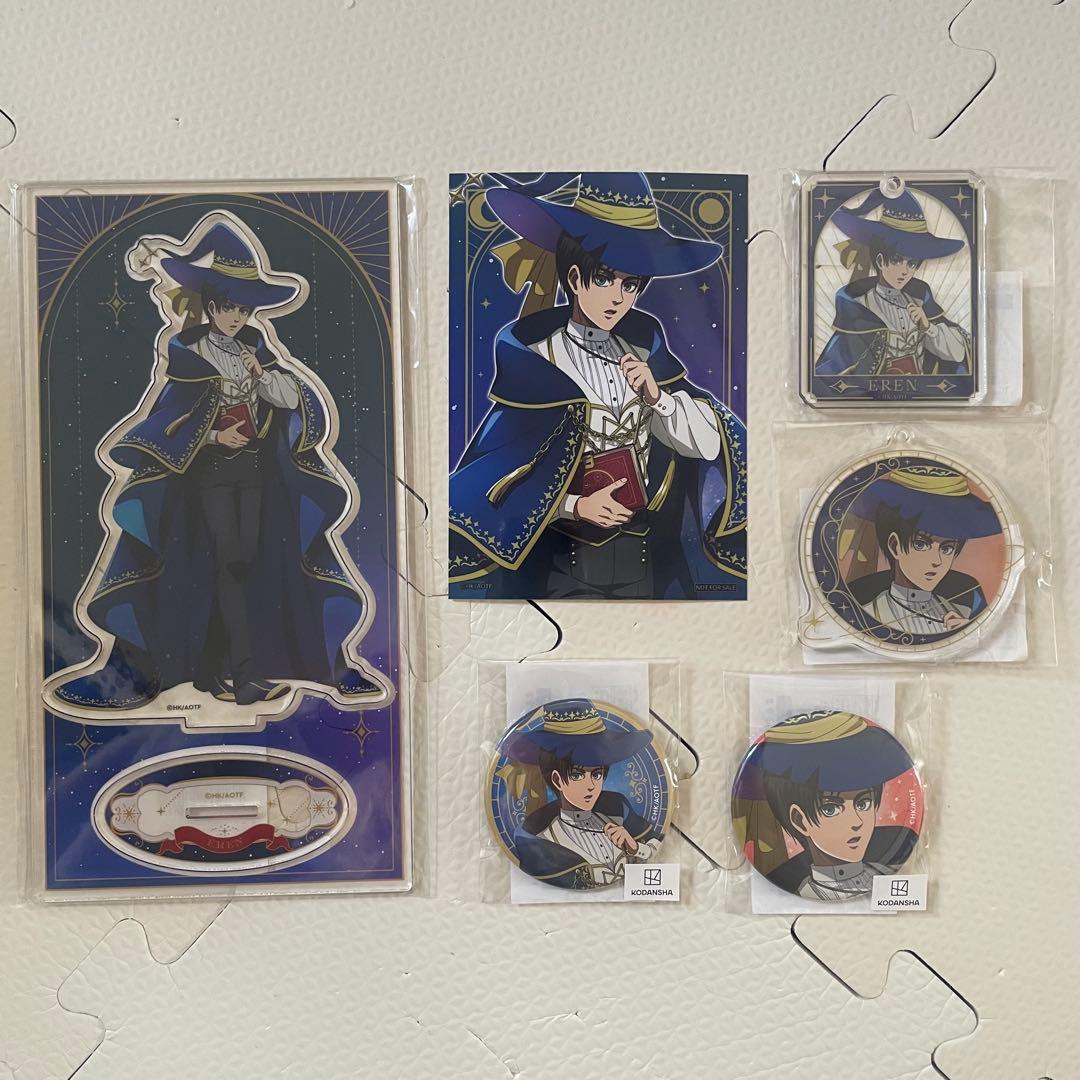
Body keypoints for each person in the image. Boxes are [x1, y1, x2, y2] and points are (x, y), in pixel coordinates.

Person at [51, 217, 383, 710]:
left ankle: (210, 668)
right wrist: (211, 435)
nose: (234, 316)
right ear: (209, 305)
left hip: (257, 472)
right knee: (230, 560)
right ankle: (245, 678)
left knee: (246, 559)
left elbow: (288, 399)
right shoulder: (188, 353)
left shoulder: (256, 350)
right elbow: (170, 419)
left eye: (243, 308)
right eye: (227, 306)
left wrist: (260, 372)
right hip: (208, 474)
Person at [449, 172, 746, 599]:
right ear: (574, 278)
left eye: (631, 285)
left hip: (646, 556)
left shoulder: (646, 353)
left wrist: (659, 398)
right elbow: (494, 480)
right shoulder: (536, 363)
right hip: (560, 565)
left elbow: (708, 446)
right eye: (604, 278)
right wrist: (574, 506)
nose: (617, 297)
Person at [745, 711, 918, 902]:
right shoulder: (800, 888)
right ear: (800, 820)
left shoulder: (884, 872)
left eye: (863, 803)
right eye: (831, 809)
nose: (856, 822)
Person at [504, 700, 662, 889]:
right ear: (557, 780)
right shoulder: (544, 842)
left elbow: (658, 844)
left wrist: (636, 848)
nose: (591, 786)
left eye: (596, 774)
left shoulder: (619, 812)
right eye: (577, 775)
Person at [816, 187, 971, 378]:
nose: (905, 271)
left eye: (912, 264)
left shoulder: (920, 301)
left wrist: (928, 327)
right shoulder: (860, 308)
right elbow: (833, 367)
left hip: (921, 391)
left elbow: (958, 353)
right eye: (897, 260)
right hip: (874, 394)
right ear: (881, 261)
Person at [845, 465, 1002, 636]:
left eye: (947, 548)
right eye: (920, 544)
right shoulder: (867, 615)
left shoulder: (965, 610)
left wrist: (971, 635)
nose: (937, 561)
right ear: (895, 546)